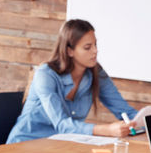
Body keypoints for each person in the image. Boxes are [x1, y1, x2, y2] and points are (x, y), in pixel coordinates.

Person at [7, 19, 136, 143]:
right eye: (87, 47)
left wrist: (145, 120)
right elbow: (62, 124)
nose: (95, 51)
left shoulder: (95, 72)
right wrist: (106, 130)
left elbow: (125, 111)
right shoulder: (45, 75)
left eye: (95, 45)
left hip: (60, 146)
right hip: (25, 144)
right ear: (69, 51)